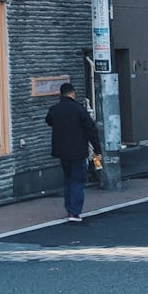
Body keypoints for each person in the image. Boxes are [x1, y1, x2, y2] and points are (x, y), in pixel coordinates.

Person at [45, 82, 101, 223]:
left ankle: (69, 208)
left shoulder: (54, 110)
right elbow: (91, 130)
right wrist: (97, 149)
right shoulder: (79, 110)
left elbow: (49, 121)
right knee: (78, 180)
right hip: (78, 151)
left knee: (68, 179)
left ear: (61, 94)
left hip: (61, 151)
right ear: (73, 94)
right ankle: (74, 212)